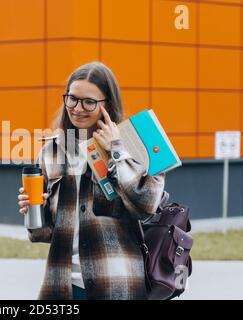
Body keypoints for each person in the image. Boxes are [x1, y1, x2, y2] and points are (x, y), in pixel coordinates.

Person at [18, 61, 165, 300]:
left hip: (117, 284)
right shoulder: (51, 151)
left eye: (89, 102)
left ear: (108, 105)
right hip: (62, 286)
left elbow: (146, 205)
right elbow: (42, 233)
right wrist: (33, 210)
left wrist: (116, 151)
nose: (77, 108)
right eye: (72, 98)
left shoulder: (137, 145)